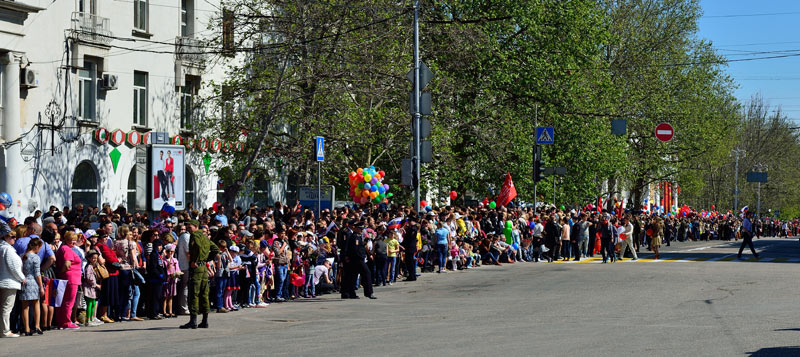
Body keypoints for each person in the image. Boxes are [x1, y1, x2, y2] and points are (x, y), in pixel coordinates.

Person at [180, 220, 220, 329]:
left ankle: (193, 321)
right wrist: (205, 259)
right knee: (204, 293)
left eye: (190, 226)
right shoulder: (205, 237)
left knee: (194, 293)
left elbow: (197, 247)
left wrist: (196, 261)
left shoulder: (195, 236)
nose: (188, 228)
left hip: (196, 268)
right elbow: (216, 249)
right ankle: (205, 321)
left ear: (195, 227)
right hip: (203, 268)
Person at [0, 223, 24, 338]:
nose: (14, 238)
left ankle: (3, 330)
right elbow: (13, 267)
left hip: (5, 281)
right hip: (8, 282)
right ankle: (5, 331)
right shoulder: (7, 249)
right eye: (12, 236)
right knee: (6, 308)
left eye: (15, 236)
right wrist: (22, 278)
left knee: (4, 307)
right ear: (5, 237)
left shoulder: (3, 248)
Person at [55, 231, 82, 330]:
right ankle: (66, 322)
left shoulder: (63, 248)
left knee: (62, 301)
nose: (74, 242)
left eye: (75, 240)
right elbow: (67, 264)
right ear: (66, 240)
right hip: (71, 278)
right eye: (71, 240)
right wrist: (62, 272)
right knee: (68, 301)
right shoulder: (67, 249)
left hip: (67, 277)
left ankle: (62, 322)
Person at [343, 220, 376, 299]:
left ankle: (351, 293)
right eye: (360, 229)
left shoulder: (358, 236)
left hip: (357, 259)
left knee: (353, 276)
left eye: (362, 229)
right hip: (357, 260)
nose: (362, 230)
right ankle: (369, 292)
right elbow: (355, 250)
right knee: (367, 273)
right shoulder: (355, 237)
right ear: (356, 228)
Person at [19, 238, 44, 335]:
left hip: (24, 282)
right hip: (33, 282)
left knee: (24, 307)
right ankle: (37, 326)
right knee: (36, 304)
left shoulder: (22, 256)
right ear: (37, 247)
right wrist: (41, 286)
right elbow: (37, 273)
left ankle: (27, 328)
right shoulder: (36, 257)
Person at [82, 250, 102, 327]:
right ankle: (88, 319)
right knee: (90, 303)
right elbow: (89, 277)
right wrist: (96, 284)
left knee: (93, 303)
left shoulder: (91, 266)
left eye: (96, 258)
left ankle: (92, 318)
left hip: (91, 287)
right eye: (93, 258)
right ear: (89, 258)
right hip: (89, 287)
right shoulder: (89, 266)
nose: (95, 259)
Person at [162, 244, 179, 318]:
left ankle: (170, 311)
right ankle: (164, 311)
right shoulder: (164, 260)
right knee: (165, 296)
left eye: (172, 252)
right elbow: (164, 270)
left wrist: (177, 274)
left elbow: (177, 269)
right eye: (169, 252)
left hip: (173, 279)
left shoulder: (175, 260)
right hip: (167, 279)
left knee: (171, 296)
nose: (170, 253)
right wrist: (168, 267)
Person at [402, 217, 419, 281]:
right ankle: (412, 275)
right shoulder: (411, 228)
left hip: (410, 247)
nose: (408, 223)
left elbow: (410, 237)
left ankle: (412, 276)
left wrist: (405, 234)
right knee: (409, 262)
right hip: (410, 247)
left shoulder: (413, 228)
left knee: (409, 262)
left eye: (409, 221)